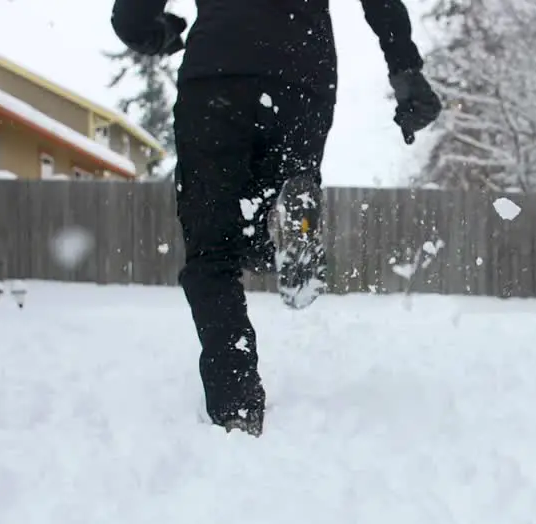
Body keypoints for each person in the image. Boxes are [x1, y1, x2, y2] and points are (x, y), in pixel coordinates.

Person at [111, 0, 442, 438]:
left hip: (217, 75)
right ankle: (288, 208)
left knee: (214, 252)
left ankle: (236, 404)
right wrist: (406, 70)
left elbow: (131, 16)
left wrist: (159, 33)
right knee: (264, 214)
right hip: (301, 75)